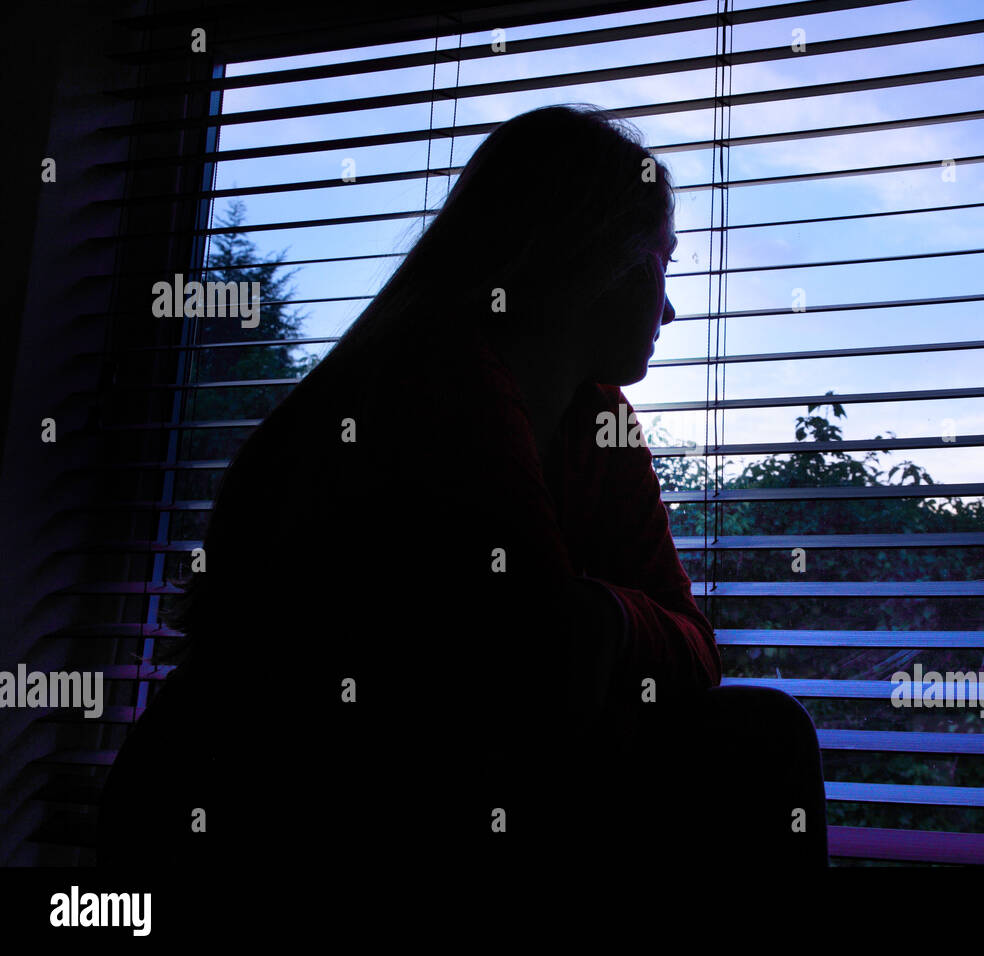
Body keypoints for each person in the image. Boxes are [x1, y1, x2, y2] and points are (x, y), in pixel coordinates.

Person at [97, 103, 828, 873]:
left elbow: (684, 644)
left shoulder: (596, 418)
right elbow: (533, 670)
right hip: (260, 807)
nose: (672, 307)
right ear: (592, 252)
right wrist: (594, 632)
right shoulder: (435, 383)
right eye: (662, 261)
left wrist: (609, 618)